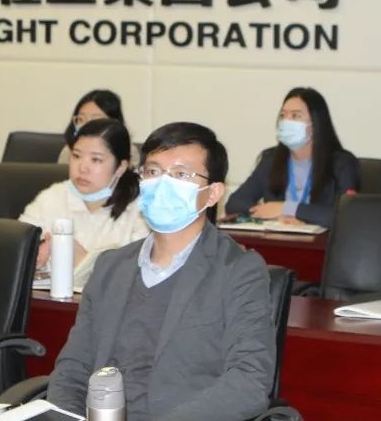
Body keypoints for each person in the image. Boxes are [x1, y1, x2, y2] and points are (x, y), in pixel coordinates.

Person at [47, 122, 275, 421]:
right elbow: (73, 370)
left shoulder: (238, 271)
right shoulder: (111, 267)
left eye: (181, 175)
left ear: (212, 193)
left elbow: (249, 382)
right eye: (153, 171)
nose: (163, 183)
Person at [19, 118, 149, 287]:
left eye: (96, 160)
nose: (82, 168)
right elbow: (16, 250)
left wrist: (83, 260)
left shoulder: (142, 209)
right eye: (76, 156)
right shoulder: (52, 196)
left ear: (121, 167)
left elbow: (138, 278)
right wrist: (34, 255)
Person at [225, 87, 359, 227]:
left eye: (295, 116)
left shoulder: (341, 163)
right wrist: (270, 214)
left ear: (315, 124)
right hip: (281, 237)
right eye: (283, 115)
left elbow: (345, 215)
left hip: (322, 240)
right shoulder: (270, 160)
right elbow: (235, 203)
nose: (286, 121)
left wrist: (287, 208)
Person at [58, 89, 140, 167]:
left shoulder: (130, 152)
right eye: (81, 119)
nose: (86, 125)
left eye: (95, 119)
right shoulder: (68, 151)